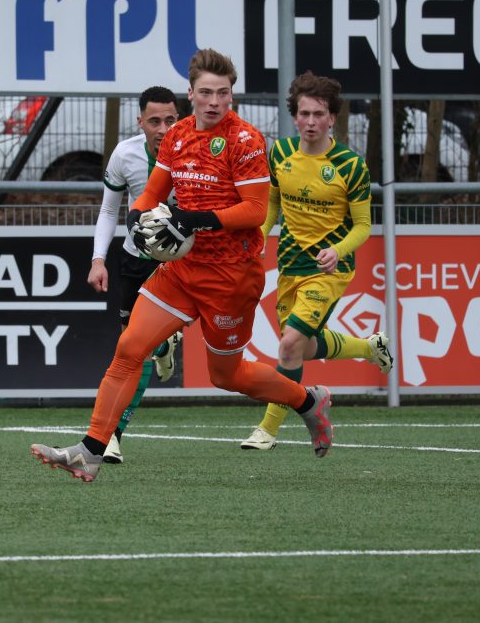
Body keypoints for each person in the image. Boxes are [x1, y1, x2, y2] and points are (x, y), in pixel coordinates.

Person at [31, 48, 333, 481]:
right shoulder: (177, 136)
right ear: (190, 94)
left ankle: (308, 402)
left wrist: (195, 219)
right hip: (182, 270)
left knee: (227, 376)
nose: (214, 101)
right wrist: (137, 217)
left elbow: (254, 210)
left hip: (232, 277)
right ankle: (91, 450)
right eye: (206, 92)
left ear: (232, 96)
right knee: (129, 348)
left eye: (223, 93)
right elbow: (152, 193)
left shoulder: (246, 140)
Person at [240, 72, 395, 450]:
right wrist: (261, 233)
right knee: (303, 348)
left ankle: (268, 429)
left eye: (319, 114)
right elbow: (273, 201)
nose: (311, 122)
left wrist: (338, 250)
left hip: (330, 269)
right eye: (305, 113)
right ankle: (368, 348)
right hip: (290, 264)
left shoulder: (350, 165)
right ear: (295, 116)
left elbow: (362, 227)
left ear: (332, 118)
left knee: (289, 346)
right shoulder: (280, 153)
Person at [87, 86, 184, 464]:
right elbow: (109, 211)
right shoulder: (125, 154)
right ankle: (164, 348)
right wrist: (98, 260)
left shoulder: (197, 152)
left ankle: (112, 435)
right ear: (140, 122)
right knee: (135, 346)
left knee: (136, 349)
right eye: (155, 121)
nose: (163, 128)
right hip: (135, 262)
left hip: (181, 265)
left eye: (171, 119)